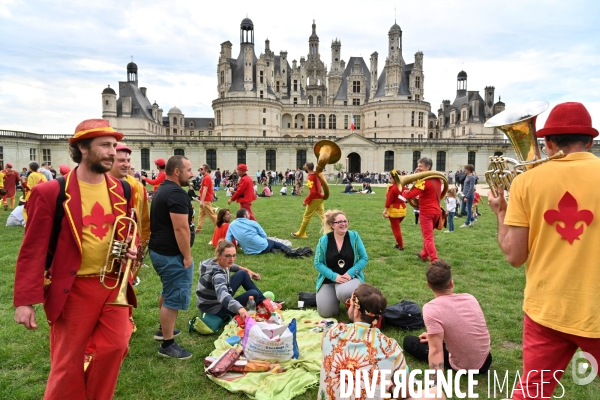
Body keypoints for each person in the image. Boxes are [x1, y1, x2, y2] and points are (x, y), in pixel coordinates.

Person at [13, 118, 138, 399]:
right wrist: (24, 300)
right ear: (82, 147)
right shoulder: (50, 192)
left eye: (114, 145)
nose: (112, 152)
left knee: (115, 346)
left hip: (111, 284)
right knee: (68, 361)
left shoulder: (123, 189)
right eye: (105, 145)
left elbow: (127, 229)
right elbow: (32, 249)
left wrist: (129, 246)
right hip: (73, 289)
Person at [488, 102, 600, 399]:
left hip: (545, 309)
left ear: (547, 143)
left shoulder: (525, 182)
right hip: (596, 309)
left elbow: (514, 257)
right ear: (590, 141)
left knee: (531, 392)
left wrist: (501, 214)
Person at [319, 284, 445, 400]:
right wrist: (389, 387)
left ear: (356, 311)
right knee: (437, 394)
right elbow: (405, 393)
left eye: (349, 304)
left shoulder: (330, 332)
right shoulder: (391, 348)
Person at [403, 260, 492, 375]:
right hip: (486, 360)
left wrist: (435, 384)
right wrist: (432, 337)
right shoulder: (470, 298)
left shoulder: (431, 309)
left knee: (409, 341)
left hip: (465, 368)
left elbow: (436, 351)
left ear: (428, 285)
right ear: (451, 283)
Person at [149, 155, 195, 359]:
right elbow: (181, 228)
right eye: (189, 170)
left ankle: (163, 329)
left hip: (160, 251)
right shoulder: (176, 193)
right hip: (171, 254)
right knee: (174, 296)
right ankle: (168, 345)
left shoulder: (164, 189)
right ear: (177, 172)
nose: (192, 174)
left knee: (168, 290)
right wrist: (187, 256)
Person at [314, 210, 368, 318]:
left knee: (344, 292)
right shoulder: (324, 240)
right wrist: (334, 276)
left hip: (351, 278)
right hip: (329, 280)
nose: (343, 224)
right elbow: (318, 263)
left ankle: (350, 302)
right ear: (332, 225)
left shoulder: (354, 236)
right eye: (339, 222)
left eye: (345, 221)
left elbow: (364, 258)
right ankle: (331, 298)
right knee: (326, 313)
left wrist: (350, 274)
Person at [196, 240, 264, 320]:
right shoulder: (218, 274)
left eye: (234, 255)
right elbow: (222, 294)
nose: (232, 259)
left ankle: (265, 302)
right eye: (228, 256)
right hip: (214, 310)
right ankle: (264, 304)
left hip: (210, 302)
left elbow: (231, 266)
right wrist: (239, 308)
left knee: (242, 273)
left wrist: (247, 270)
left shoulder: (214, 261)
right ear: (219, 255)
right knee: (253, 294)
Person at [403, 158, 443, 263]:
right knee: (429, 235)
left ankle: (434, 260)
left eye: (420, 166)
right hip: (436, 212)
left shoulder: (423, 181)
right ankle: (424, 255)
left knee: (428, 237)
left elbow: (410, 194)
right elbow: (431, 193)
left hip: (427, 212)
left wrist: (404, 192)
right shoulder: (437, 179)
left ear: (428, 167)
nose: (418, 168)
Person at [109, 143, 151, 245]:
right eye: (121, 160)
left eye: (128, 160)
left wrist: (143, 241)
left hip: (132, 244)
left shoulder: (138, 186)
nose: (127, 164)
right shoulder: (99, 184)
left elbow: (144, 217)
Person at [226, 208, 292, 254]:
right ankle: (290, 250)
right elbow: (264, 235)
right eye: (248, 214)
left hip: (248, 251)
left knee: (268, 245)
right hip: (262, 246)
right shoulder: (253, 223)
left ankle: (274, 250)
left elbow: (228, 240)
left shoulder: (231, 225)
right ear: (245, 216)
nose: (249, 215)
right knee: (273, 243)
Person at [292, 162, 325, 239]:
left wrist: (306, 201)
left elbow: (312, 192)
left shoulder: (310, 177)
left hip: (315, 199)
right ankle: (331, 231)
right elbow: (322, 184)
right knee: (323, 217)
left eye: (304, 166)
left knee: (306, 217)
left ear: (306, 168)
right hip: (320, 198)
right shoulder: (317, 174)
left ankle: (301, 234)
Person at [383, 171, 407, 250]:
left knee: (396, 229)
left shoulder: (392, 188)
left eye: (390, 177)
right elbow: (405, 198)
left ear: (394, 178)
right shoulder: (404, 187)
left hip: (394, 211)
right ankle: (398, 243)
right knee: (396, 227)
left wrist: (385, 210)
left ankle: (400, 245)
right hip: (403, 210)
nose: (389, 179)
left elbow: (389, 201)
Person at [196, 164, 218, 233]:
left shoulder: (207, 178)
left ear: (206, 170)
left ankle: (221, 226)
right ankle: (199, 229)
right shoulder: (205, 177)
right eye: (200, 169)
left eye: (202, 169)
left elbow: (205, 190)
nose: (200, 170)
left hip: (206, 200)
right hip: (205, 199)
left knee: (212, 215)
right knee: (201, 215)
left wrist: (202, 201)